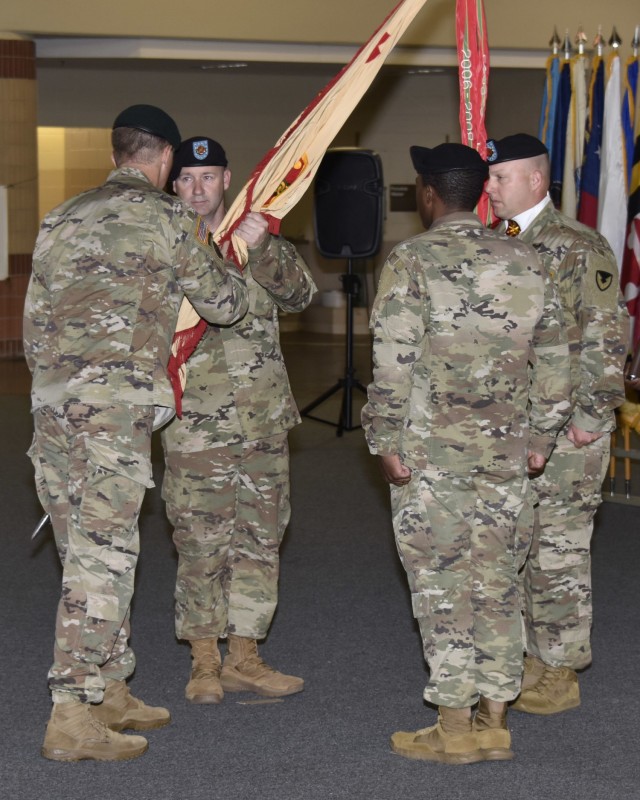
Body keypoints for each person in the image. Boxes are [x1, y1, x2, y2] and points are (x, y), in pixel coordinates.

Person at [24, 106, 249, 762]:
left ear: (117, 152)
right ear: (164, 160)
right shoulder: (170, 220)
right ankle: (71, 715)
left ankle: (111, 687)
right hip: (113, 417)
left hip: (52, 409)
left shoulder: (60, 218)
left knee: (84, 550)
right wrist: (237, 251)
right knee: (105, 558)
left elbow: (34, 323)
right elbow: (225, 305)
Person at [361, 142, 571, 764]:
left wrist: (384, 440)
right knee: (499, 580)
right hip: (506, 456)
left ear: (428, 193)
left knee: (442, 583)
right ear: (480, 191)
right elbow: (557, 359)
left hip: (432, 460)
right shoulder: (527, 258)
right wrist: (541, 439)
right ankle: (495, 720)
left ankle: (454, 727)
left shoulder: (413, 260)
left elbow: (392, 362)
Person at [161, 137, 316, 704]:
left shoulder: (257, 239)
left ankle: (245, 655)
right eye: (186, 179)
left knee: (261, 537)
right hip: (195, 423)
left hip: (264, 417)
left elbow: (302, 296)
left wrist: (267, 247)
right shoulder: (162, 246)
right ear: (172, 185)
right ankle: (204, 661)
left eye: (208, 177)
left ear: (228, 179)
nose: (198, 189)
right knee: (200, 540)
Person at [485, 133, 628, 715]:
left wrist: (593, 415)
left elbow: (607, 334)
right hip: (514, 426)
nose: (489, 188)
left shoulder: (576, 246)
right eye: (490, 178)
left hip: (569, 429)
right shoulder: (496, 242)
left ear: (536, 181)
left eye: (500, 178)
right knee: (516, 543)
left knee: (559, 551)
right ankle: (531, 656)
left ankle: (562, 669)